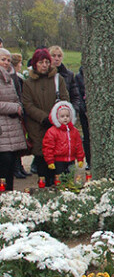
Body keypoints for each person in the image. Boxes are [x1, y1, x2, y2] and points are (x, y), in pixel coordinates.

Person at [22, 48, 69, 186]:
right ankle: (44, 188)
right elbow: (28, 105)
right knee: (42, 161)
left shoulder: (57, 79)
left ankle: (57, 187)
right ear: (35, 64)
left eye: (47, 62)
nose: (44, 65)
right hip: (38, 127)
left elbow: (64, 99)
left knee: (57, 163)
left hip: (56, 125)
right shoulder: (28, 83)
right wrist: (44, 118)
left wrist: (56, 117)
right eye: (41, 62)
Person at [0, 48, 27, 190]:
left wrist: (20, 107)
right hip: (2, 128)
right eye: (3, 59)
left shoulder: (13, 77)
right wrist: (14, 108)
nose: (6, 63)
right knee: (4, 161)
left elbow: (19, 98)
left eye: (8, 60)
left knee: (11, 163)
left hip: (13, 125)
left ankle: (9, 195)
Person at [42, 101, 85, 176]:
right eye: (62, 116)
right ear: (56, 117)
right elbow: (48, 147)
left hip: (71, 159)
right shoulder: (52, 132)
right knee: (60, 178)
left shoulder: (74, 131)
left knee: (70, 176)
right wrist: (50, 161)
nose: (65, 118)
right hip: (58, 160)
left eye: (67, 116)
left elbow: (78, 145)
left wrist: (80, 158)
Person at [48, 46, 82, 114]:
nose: (56, 59)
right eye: (53, 56)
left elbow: (75, 96)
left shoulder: (69, 75)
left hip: (65, 114)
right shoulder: (44, 74)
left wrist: (73, 110)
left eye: (59, 56)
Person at [75, 67, 91, 169]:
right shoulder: (79, 76)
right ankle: (89, 161)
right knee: (87, 137)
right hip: (84, 111)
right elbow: (78, 95)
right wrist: (84, 109)